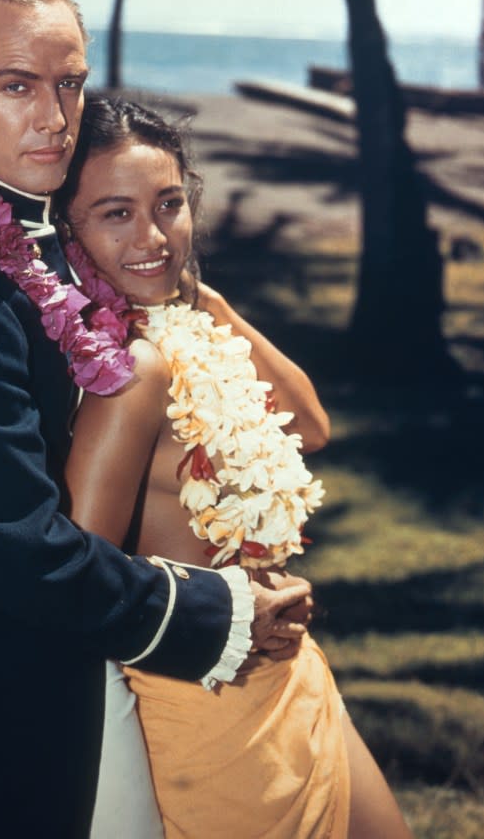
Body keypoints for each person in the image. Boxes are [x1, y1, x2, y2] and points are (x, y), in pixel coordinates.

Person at [0, 0, 314, 838]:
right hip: (5, 692)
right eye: (16, 85)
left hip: (74, 650)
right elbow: (23, 552)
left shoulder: (15, 228)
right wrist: (222, 610)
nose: (54, 118)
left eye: (69, 83)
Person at [58, 96, 415, 839]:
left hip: (292, 670)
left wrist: (208, 302)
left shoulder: (190, 328)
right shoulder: (125, 374)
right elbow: (77, 579)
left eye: (168, 205)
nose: (153, 237)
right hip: (210, 706)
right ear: (68, 232)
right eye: (114, 214)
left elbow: (310, 426)